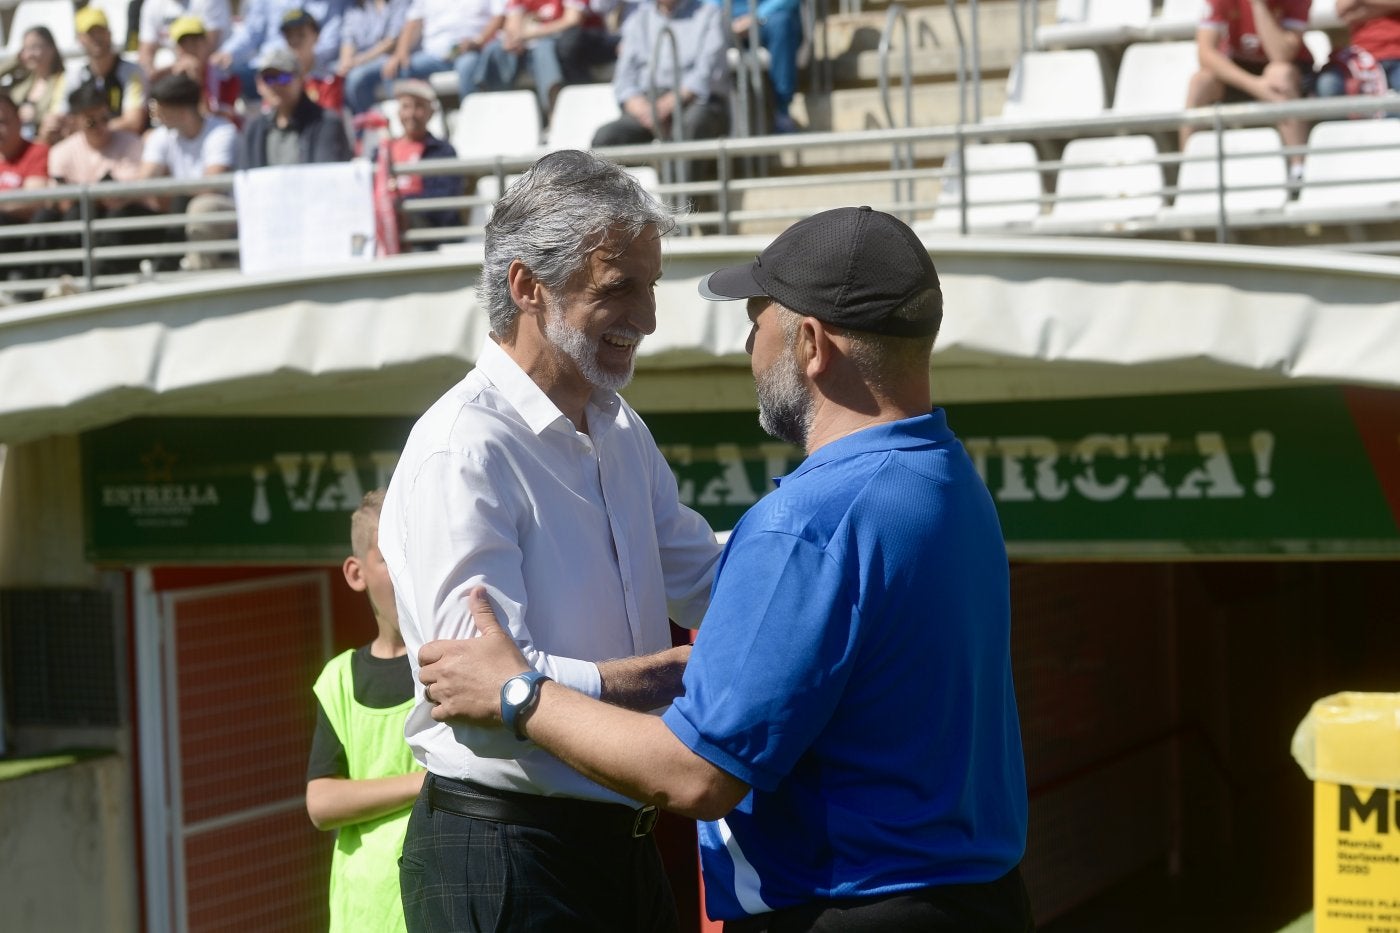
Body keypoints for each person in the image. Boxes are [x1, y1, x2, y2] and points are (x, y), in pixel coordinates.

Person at [416, 205, 1035, 932]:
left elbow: (694, 773)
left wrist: (518, 691)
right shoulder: (950, 480)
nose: (747, 341)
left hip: (854, 903)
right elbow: (736, 583)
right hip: (974, 896)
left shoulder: (806, 522)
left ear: (810, 342)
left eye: (756, 315)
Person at [377, 149, 722, 932]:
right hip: (506, 851)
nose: (649, 316)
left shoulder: (618, 426)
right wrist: (665, 672)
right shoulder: (463, 447)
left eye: (651, 285)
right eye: (619, 287)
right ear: (526, 286)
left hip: (619, 847)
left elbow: (704, 576)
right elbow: (477, 691)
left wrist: (833, 546)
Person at [306, 488, 425, 933]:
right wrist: (424, 781)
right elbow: (321, 802)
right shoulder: (337, 679)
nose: (410, 573)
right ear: (356, 573)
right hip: (364, 915)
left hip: (440, 904)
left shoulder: (454, 662)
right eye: (392, 557)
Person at [35, 83, 162, 277]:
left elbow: (121, 198)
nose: (102, 127)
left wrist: (85, 193)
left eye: (105, 119)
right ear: (75, 122)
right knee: (68, 215)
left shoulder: (131, 143)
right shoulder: (61, 152)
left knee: (116, 215)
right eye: (91, 123)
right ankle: (58, 277)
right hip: (84, 224)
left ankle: (105, 277)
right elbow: (60, 202)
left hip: (125, 225)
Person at [1182, 0, 1314, 173]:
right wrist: (1255, 86)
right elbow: (1205, 54)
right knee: (1199, 82)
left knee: (1279, 75)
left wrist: (1258, 5)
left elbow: (1280, 54)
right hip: (1243, 73)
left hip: (1287, 71)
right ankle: (1187, 170)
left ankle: (1299, 171)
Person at [592, 0, 729, 148]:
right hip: (646, 104)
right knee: (606, 138)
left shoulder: (710, 14)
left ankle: (677, 171)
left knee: (691, 126)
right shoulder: (638, 19)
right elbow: (624, 80)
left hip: (694, 102)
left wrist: (665, 107)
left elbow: (705, 73)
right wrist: (646, 111)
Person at [139, 73, 238, 269]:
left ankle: (192, 273)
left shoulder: (223, 131)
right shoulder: (161, 135)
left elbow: (213, 184)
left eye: (160, 110)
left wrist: (169, 190)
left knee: (200, 206)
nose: (155, 115)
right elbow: (144, 180)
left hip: (227, 211)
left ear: (183, 112)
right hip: (184, 208)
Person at [476, 0, 608, 116]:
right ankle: (494, 111)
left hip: (571, 45)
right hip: (528, 46)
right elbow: (513, 24)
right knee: (495, 49)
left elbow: (572, 20)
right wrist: (514, 39)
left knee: (543, 48)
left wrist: (530, 34)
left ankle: (554, 113)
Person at [375, 0, 508, 111]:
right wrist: (400, 54)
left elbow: (499, 16)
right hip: (434, 56)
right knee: (394, 71)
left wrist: (478, 41)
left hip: (472, 52)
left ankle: (473, 122)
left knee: (468, 67)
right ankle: (403, 135)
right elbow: (412, 22)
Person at [236, 46, 353, 168]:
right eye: (269, 79)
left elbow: (326, 175)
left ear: (301, 79)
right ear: (259, 85)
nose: (276, 85)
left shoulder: (326, 123)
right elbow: (247, 178)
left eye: (283, 78)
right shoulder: (254, 130)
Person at [373, 79, 462, 237]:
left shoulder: (442, 152)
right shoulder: (382, 151)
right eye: (406, 106)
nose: (411, 114)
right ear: (398, 112)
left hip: (426, 234)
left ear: (431, 112)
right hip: (387, 229)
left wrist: (399, 199)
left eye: (419, 106)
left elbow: (442, 206)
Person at [213, 0, 348, 97]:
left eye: (299, 35)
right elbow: (251, 32)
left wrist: (300, 62)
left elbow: (331, 42)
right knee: (221, 73)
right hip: (267, 66)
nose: (294, 39)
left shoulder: (333, 3)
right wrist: (227, 52)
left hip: (312, 71)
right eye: (289, 35)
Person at [707, 0, 802, 133]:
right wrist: (722, 18)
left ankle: (781, 111)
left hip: (768, 19)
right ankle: (705, 108)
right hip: (724, 21)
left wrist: (756, 16)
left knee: (782, 23)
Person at [60, 6, 149, 136]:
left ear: (109, 33)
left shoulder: (133, 72)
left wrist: (89, 127)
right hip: (84, 145)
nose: (97, 38)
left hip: (122, 143)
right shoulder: (72, 76)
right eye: (90, 33)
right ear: (80, 39)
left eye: (100, 31)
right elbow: (61, 120)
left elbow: (134, 122)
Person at [0, 95, 49, 277]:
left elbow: (34, 200)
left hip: (19, 241)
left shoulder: (36, 152)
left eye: (3, 121)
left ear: (19, 121)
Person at [340, 0, 414, 114]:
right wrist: (346, 62)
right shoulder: (355, 9)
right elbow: (348, 40)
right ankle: (361, 125)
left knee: (357, 77)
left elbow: (392, 40)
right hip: (362, 62)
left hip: (390, 57)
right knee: (333, 76)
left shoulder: (398, 2)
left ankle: (374, 125)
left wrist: (361, 60)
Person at [167, 15, 244, 125]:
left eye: (195, 41)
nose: (191, 48)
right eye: (184, 44)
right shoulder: (171, 80)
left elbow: (219, 121)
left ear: (206, 43)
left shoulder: (225, 76)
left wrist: (196, 80)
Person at [1316, 0, 1400, 97]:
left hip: (1396, 55)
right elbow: (1341, 11)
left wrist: (1361, 4)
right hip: (1361, 59)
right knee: (1328, 84)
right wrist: (1389, 8)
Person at [137, 0, 233, 83]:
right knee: (163, 58)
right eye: (182, 42)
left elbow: (208, 47)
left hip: (213, 70)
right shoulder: (152, 4)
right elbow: (146, 51)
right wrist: (153, 73)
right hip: (173, 71)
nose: (185, 46)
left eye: (192, 41)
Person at [1, 26, 69, 144]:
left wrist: (36, 115)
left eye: (35, 47)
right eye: (25, 49)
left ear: (51, 48)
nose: (30, 54)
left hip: (43, 144)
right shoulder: (21, 82)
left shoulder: (62, 80)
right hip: (14, 147)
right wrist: (16, 60)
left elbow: (57, 118)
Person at [281, 7, 347, 111]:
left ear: (316, 36)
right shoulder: (279, 78)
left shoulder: (329, 79)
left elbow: (330, 120)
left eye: (301, 35)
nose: (295, 41)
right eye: (289, 36)